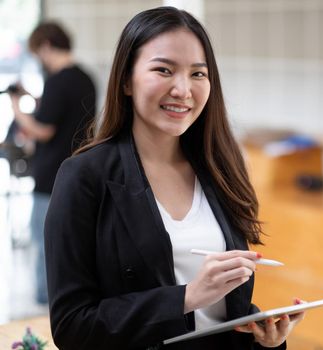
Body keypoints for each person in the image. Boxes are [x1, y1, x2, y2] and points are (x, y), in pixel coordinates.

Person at [44, 6, 304, 349]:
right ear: (125, 80)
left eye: (198, 74)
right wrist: (186, 297)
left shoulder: (221, 170)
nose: (183, 89)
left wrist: (264, 337)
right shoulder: (84, 177)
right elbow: (71, 326)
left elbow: (217, 312)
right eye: (164, 70)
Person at [9, 21, 96, 305]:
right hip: (81, 170)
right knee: (74, 242)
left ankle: (45, 301)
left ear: (46, 46)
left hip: (51, 176)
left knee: (45, 241)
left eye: (37, 52)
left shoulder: (58, 81)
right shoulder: (85, 78)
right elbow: (63, 114)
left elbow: (43, 129)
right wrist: (31, 99)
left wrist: (14, 106)